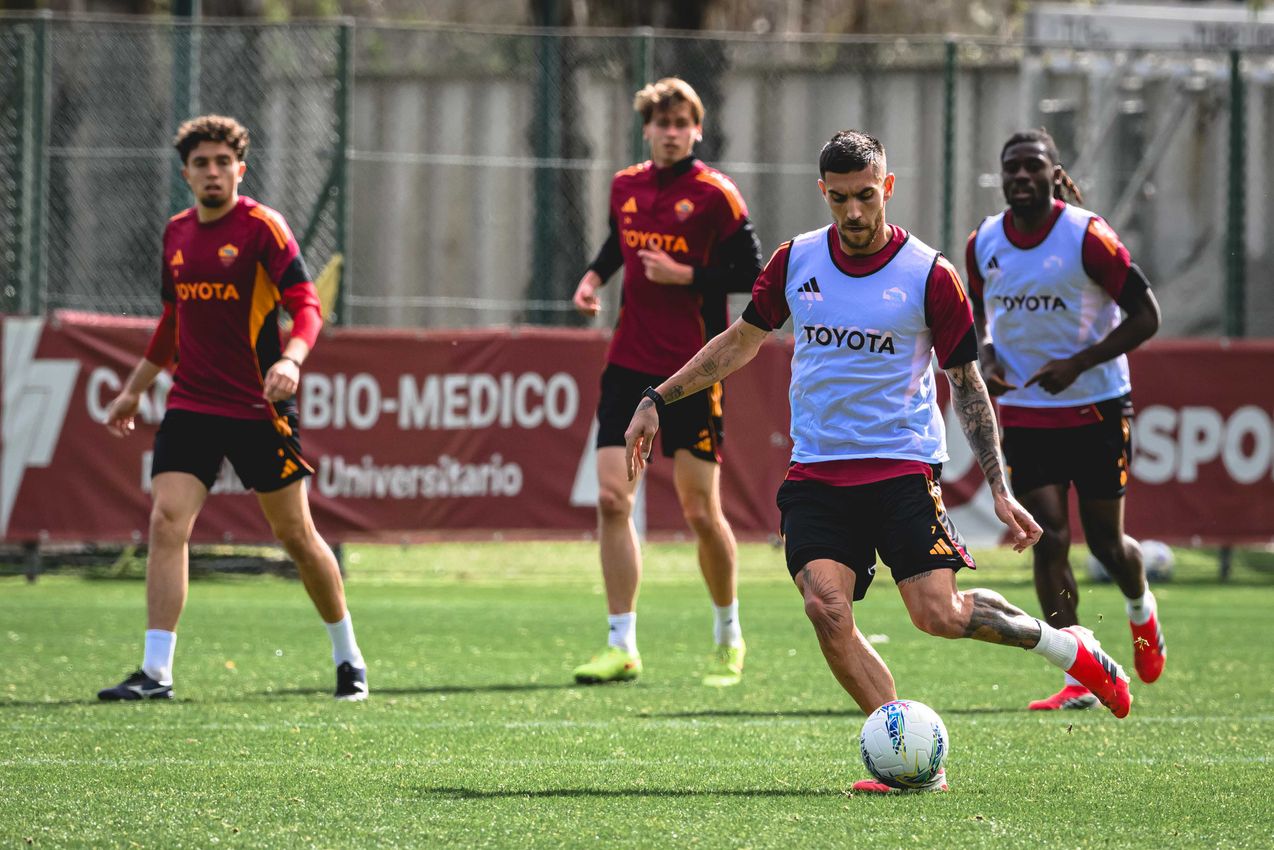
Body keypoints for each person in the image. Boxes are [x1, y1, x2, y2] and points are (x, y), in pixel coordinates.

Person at [623, 130, 1133, 794]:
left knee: (937, 615)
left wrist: (1000, 489)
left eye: (866, 196)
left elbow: (968, 387)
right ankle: (911, 762)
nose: (855, 213)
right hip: (817, 473)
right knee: (825, 608)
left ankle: (1070, 648)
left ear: (887, 187)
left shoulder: (929, 274)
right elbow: (740, 342)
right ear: (823, 194)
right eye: (840, 199)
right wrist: (657, 397)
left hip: (901, 468)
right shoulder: (795, 261)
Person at [97, 115, 368, 702]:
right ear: (186, 173)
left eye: (224, 162)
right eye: (202, 164)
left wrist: (292, 359)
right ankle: (156, 672)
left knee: (294, 534)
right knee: (168, 521)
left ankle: (349, 657)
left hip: (258, 406)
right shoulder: (175, 234)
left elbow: (307, 306)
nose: (213, 172)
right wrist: (135, 387)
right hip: (191, 403)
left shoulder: (263, 228)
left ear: (240, 169)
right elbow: (172, 322)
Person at [570, 78, 762, 687]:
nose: (672, 132)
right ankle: (621, 643)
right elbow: (616, 244)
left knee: (700, 512)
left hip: (692, 372)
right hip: (627, 365)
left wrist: (689, 275)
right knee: (610, 500)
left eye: (682, 123)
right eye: (662, 123)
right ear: (647, 129)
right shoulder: (625, 185)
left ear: (696, 129)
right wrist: (594, 278)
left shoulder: (716, 195)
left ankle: (729, 635)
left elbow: (754, 273)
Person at [966, 129, 1165, 712]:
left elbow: (1147, 315)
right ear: (1001, 177)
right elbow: (978, 319)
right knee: (1048, 536)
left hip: (1097, 406)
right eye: (1012, 169)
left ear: (1055, 175)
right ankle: (1081, 670)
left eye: (1033, 167)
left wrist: (1078, 363)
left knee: (1106, 544)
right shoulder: (983, 243)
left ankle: (1141, 611)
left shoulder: (1087, 235)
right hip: (1027, 412)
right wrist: (991, 355)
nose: (1021, 177)